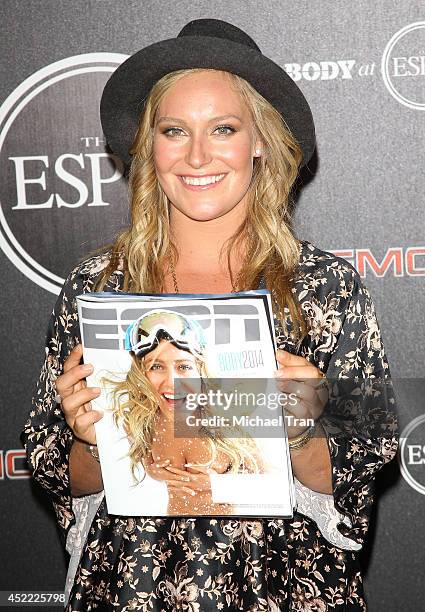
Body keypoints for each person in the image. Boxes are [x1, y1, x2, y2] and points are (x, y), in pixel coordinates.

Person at [21, 18, 398, 611]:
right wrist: (90, 440)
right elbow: (62, 475)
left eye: (223, 128)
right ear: (150, 145)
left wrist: (300, 429)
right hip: (130, 585)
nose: (197, 156)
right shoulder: (97, 287)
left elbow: (357, 474)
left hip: (283, 588)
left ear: (260, 142)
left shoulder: (327, 290)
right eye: (175, 131)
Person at [110, 309, 264, 515]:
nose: (173, 383)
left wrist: (214, 485)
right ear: (141, 374)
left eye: (183, 367)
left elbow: (271, 484)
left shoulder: (226, 417)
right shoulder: (140, 422)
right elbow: (148, 462)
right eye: (156, 366)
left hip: (228, 537)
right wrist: (153, 470)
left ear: (200, 369)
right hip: (173, 535)